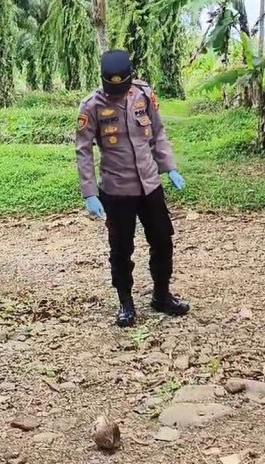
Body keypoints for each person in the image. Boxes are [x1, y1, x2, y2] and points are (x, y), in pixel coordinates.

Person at [76, 50, 190, 328]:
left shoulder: (143, 95)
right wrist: (90, 192)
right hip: (117, 190)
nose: (117, 92)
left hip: (150, 185)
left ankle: (162, 296)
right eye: (111, 86)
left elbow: (159, 133)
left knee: (163, 241)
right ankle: (126, 303)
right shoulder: (91, 106)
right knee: (121, 250)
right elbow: (83, 151)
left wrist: (169, 167)